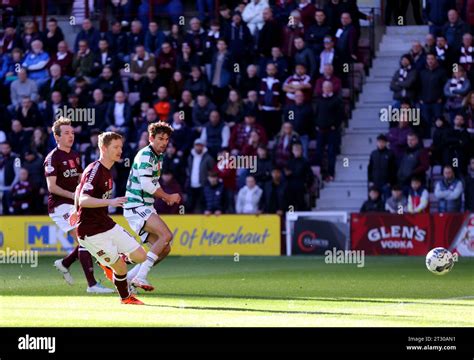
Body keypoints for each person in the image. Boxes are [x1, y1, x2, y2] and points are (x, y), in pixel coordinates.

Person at [76, 131, 147, 305]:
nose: (120, 150)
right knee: (121, 268)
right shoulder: (95, 170)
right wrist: (111, 201)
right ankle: (125, 298)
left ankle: (112, 261)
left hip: (105, 223)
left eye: (121, 147)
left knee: (141, 255)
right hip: (90, 231)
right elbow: (84, 199)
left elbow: (79, 190)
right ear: (103, 148)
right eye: (115, 147)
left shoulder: (108, 171)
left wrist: (74, 209)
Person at [47, 118, 112, 294]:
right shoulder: (52, 158)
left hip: (75, 204)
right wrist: (75, 196)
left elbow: (80, 178)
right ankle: (92, 285)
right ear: (56, 136)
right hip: (60, 207)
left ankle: (65, 263)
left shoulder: (75, 155)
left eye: (72, 133)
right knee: (86, 238)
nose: (71, 136)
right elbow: (52, 187)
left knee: (89, 237)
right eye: (66, 133)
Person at [123, 122, 181, 291]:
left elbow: (151, 184)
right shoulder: (146, 155)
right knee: (166, 235)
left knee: (165, 248)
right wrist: (167, 196)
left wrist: (164, 196)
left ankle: (128, 278)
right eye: (160, 138)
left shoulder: (158, 156)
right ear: (151, 138)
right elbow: (147, 185)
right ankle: (141, 277)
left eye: (166, 139)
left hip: (145, 206)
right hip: (136, 206)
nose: (164, 142)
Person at [368, 134, 397, 201]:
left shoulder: (390, 154)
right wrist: (370, 180)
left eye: (382, 142)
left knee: (387, 201)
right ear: (377, 142)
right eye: (379, 142)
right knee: (375, 200)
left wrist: (390, 182)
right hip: (375, 182)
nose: (380, 144)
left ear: (386, 143)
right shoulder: (373, 153)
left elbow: (393, 169)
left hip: (386, 183)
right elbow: (370, 168)